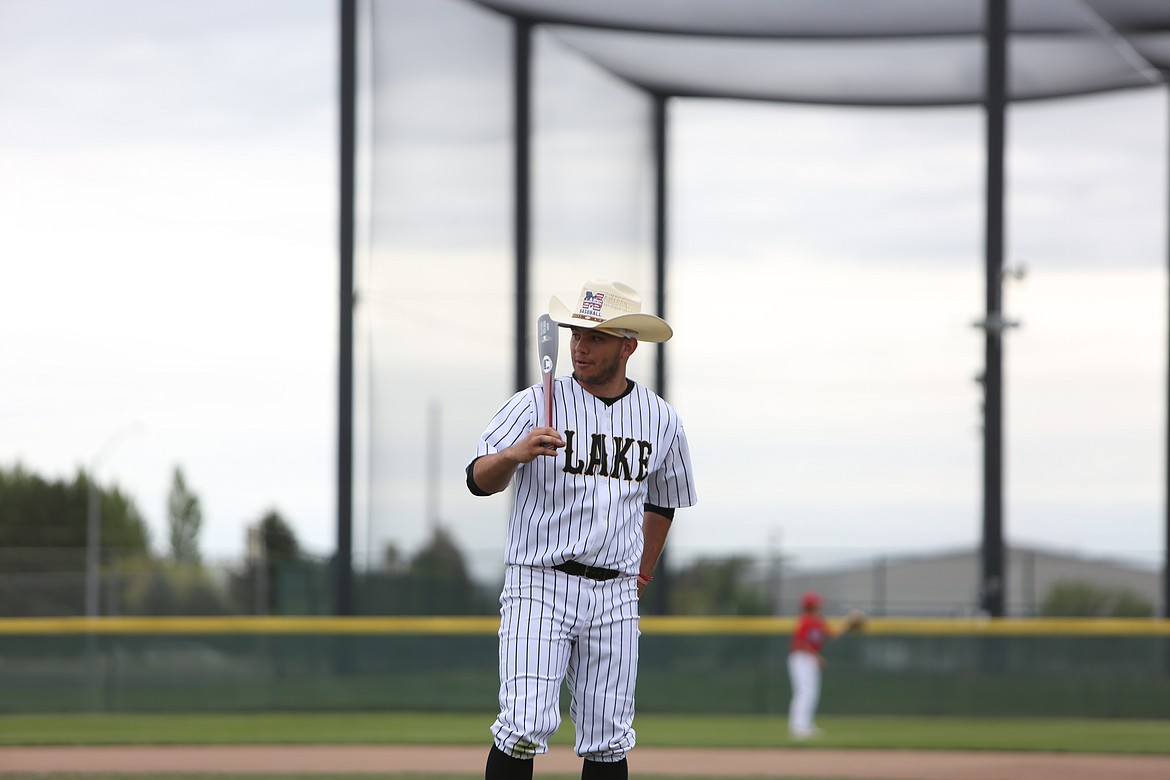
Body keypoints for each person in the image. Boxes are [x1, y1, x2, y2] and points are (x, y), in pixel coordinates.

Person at [467, 279, 698, 780]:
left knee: (608, 739)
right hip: (540, 581)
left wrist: (643, 569)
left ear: (628, 345)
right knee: (525, 725)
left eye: (595, 338)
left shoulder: (661, 420)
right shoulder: (535, 402)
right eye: (576, 334)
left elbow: (665, 499)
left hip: (615, 590)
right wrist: (513, 454)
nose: (579, 346)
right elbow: (477, 480)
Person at [787, 590, 864, 739]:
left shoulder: (819, 621)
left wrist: (848, 624)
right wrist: (816, 657)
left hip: (809, 658)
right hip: (800, 657)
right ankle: (798, 727)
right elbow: (800, 642)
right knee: (804, 691)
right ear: (811, 606)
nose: (820, 605)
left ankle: (805, 725)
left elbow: (832, 635)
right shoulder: (805, 621)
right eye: (817, 603)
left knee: (811, 692)